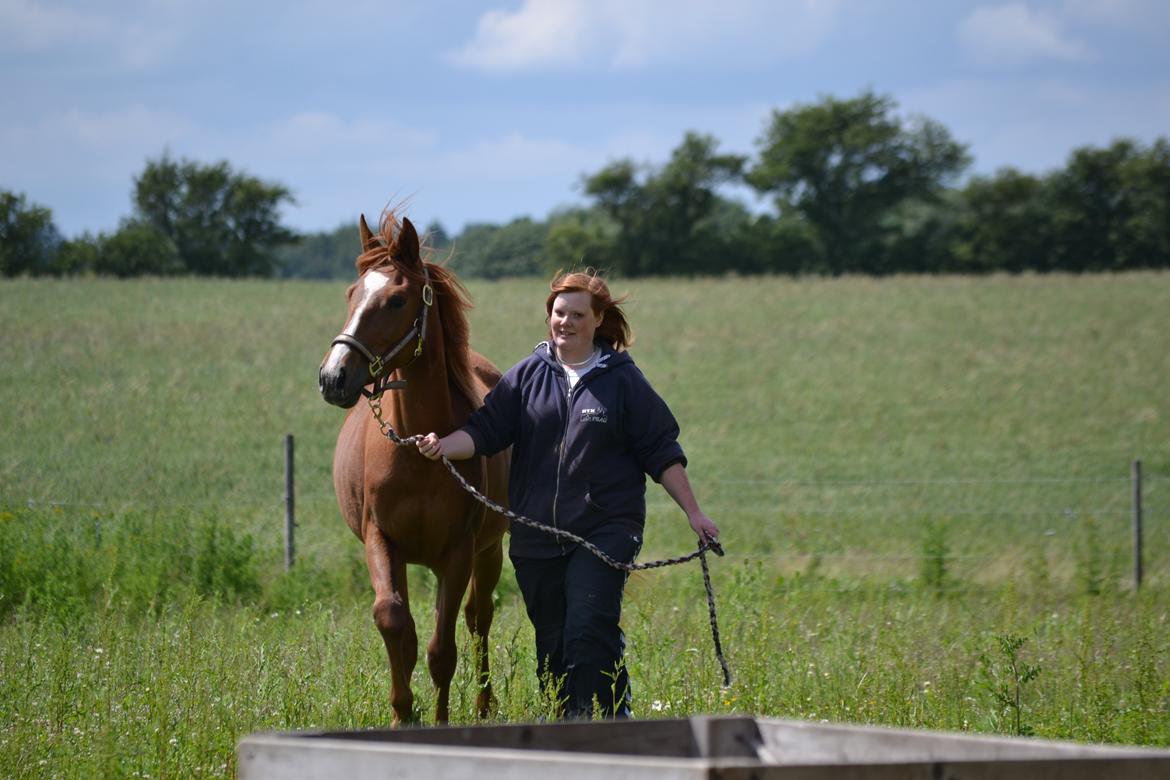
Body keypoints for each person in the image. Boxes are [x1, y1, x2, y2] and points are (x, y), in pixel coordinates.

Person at [416, 269, 719, 719]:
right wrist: (442, 446)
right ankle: (574, 717)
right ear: (549, 316)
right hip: (537, 534)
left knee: (588, 625)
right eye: (559, 313)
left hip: (605, 528)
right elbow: (484, 432)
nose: (566, 322)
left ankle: (591, 719)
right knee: (553, 638)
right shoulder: (527, 376)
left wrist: (694, 513)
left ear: (598, 320)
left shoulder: (621, 380)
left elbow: (661, 451)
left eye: (578, 314)